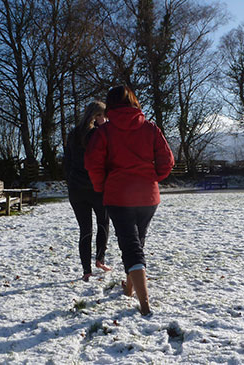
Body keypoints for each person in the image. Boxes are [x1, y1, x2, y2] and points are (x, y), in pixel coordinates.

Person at [85, 86, 174, 315]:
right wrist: (152, 178)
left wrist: (101, 187)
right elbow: (167, 161)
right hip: (148, 196)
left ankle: (144, 304)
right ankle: (129, 289)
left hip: (118, 196)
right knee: (137, 242)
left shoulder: (104, 133)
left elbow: (93, 164)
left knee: (130, 245)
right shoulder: (151, 128)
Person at [64, 101, 111, 282]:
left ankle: (86, 271)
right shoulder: (99, 134)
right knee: (103, 223)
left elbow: (66, 163)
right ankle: (100, 259)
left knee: (85, 229)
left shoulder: (73, 133)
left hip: (76, 190)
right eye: (103, 115)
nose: (105, 119)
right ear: (97, 116)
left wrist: (70, 181)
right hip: (96, 188)